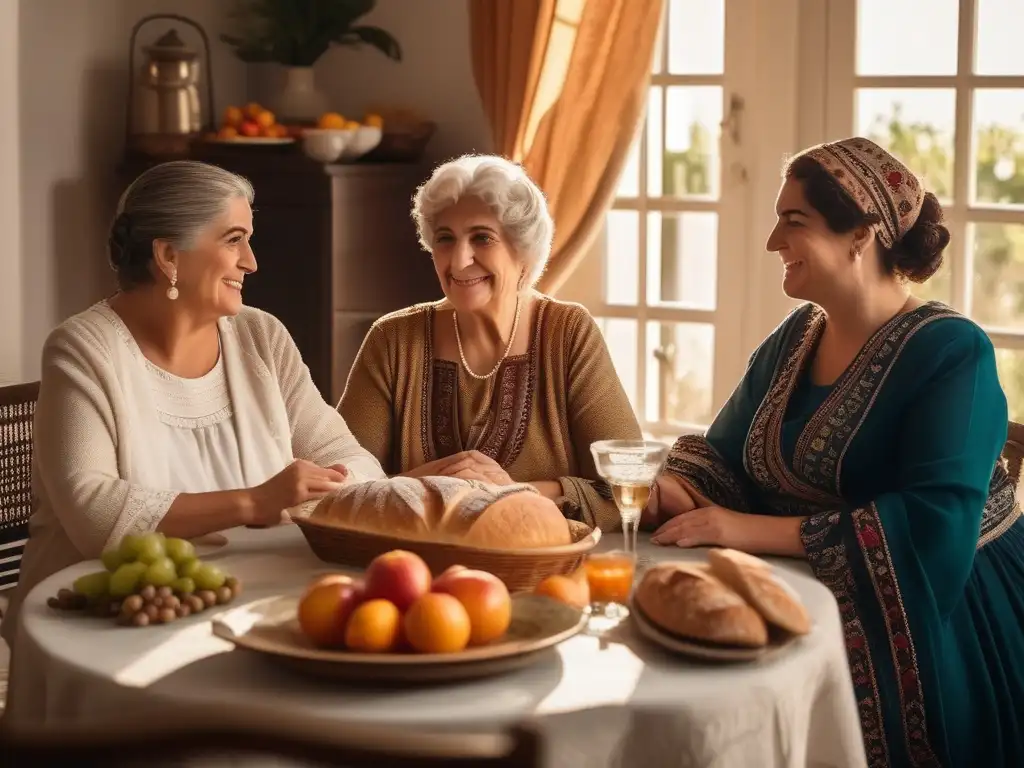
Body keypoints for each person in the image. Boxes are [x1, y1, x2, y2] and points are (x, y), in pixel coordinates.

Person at [644, 137, 1024, 766]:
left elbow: (933, 528)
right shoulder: (797, 337)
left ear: (861, 236)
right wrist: (675, 487)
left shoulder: (954, 352)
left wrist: (747, 529)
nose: (772, 241)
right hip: (809, 589)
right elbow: (724, 457)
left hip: (943, 613)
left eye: (794, 222)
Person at [1, 161, 385, 646]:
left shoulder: (261, 336)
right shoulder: (82, 348)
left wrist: (320, 489)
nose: (251, 261)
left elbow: (354, 462)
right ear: (168, 255)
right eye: (233, 239)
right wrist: (256, 502)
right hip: (99, 624)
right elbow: (95, 514)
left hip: (241, 610)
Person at [339, 154, 641, 531]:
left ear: (523, 251)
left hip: (543, 567)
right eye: (445, 239)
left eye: (482, 237)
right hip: (413, 565)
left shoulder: (568, 333)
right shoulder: (393, 339)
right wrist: (430, 485)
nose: (460, 259)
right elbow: (342, 489)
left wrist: (511, 491)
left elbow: (630, 485)